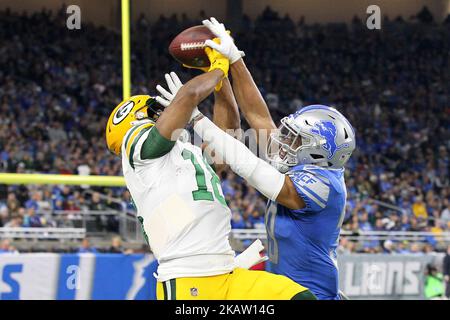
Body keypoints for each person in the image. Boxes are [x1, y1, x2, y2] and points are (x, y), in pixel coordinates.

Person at [105, 43, 316, 300]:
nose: (164, 111)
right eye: (156, 111)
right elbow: (189, 96)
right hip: (188, 279)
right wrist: (217, 67)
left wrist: (222, 79)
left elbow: (229, 131)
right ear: (137, 120)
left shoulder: (184, 155)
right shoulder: (138, 152)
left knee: (301, 297)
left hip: (228, 272)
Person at [173, 17, 356, 300]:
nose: (284, 141)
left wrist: (196, 118)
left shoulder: (324, 186)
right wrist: (233, 59)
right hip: (283, 291)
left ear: (318, 151)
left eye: (296, 139)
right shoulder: (302, 164)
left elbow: (251, 167)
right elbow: (258, 116)